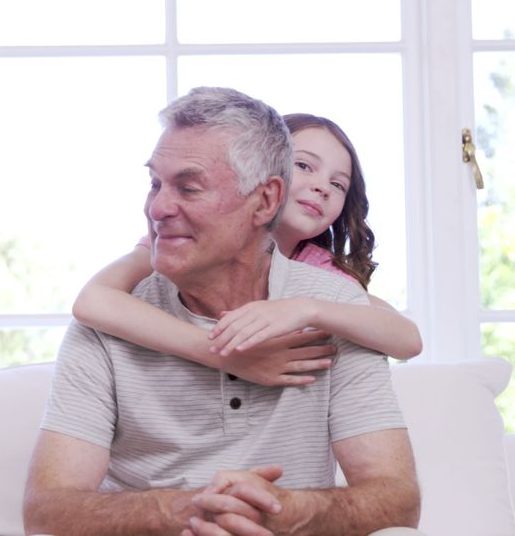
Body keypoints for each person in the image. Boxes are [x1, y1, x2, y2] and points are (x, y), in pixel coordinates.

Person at [23, 87, 420, 535]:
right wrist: (187, 510)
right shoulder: (109, 319)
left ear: (266, 200)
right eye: (155, 183)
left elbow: (398, 503)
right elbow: (46, 511)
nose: (158, 208)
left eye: (188, 187)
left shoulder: (335, 307)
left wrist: (280, 511)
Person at [70, 113, 421, 388]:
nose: (321, 187)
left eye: (337, 184)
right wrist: (220, 353)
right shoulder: (181, 242)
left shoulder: (320, 272)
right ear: (262, 179)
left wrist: (306, 309)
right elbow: (92, 301)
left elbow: (407, 340)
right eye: (304, 166)